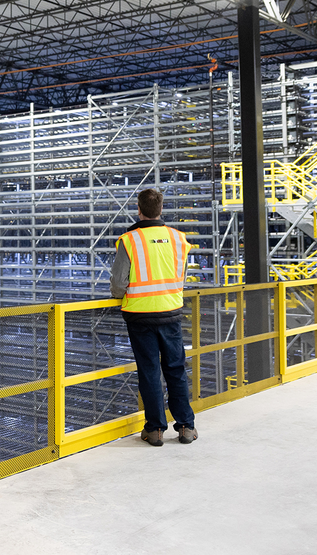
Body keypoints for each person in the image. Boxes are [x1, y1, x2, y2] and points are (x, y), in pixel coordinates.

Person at [109, 188, 196, 446]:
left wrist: (118, 294)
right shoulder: (179, 238)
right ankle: (186, 427)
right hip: (171, 312)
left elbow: (118, 282)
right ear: (161, 209)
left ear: (139, 209)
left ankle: (155, 430)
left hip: (140, 316)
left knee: (149, 372)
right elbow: (179, 275)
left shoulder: (129, 240)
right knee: (176, 370)